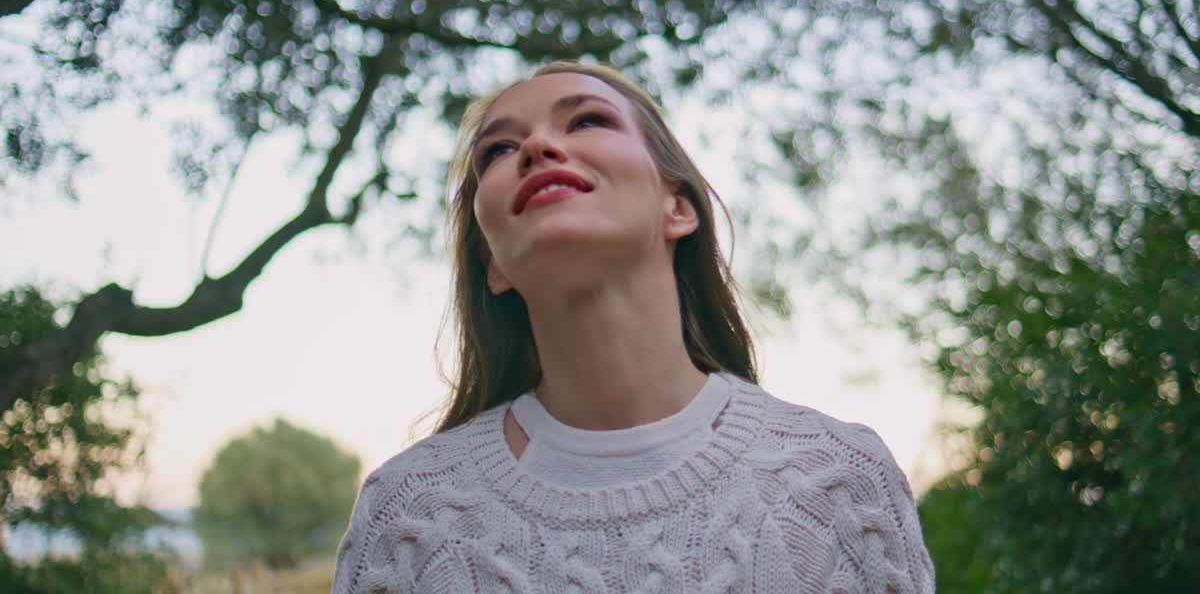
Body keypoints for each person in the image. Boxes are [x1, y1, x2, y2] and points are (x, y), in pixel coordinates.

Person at [332, 61, 935, 593]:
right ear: (492, 263)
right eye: (497, 150)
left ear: (678, 207)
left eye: (587, 120)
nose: (537, 147)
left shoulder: (843, 482)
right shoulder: (406, 518)